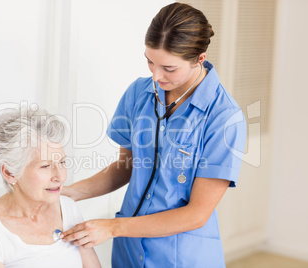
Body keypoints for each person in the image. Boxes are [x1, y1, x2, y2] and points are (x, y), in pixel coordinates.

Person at [61, 2, 247, 268]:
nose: (156, 75)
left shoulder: (224, 118)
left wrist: (112, 228)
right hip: (128, 252)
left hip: (181, 256)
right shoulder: (139, 93)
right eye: (150, 61)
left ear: (200, 59)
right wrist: (69, 193)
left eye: (169, 68)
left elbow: (196, 214)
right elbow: (126, 167)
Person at [0, 106, 101, 268]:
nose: (59, 176)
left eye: (62, 162)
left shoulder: (67, 207)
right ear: (10, 172)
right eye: (46, 166)